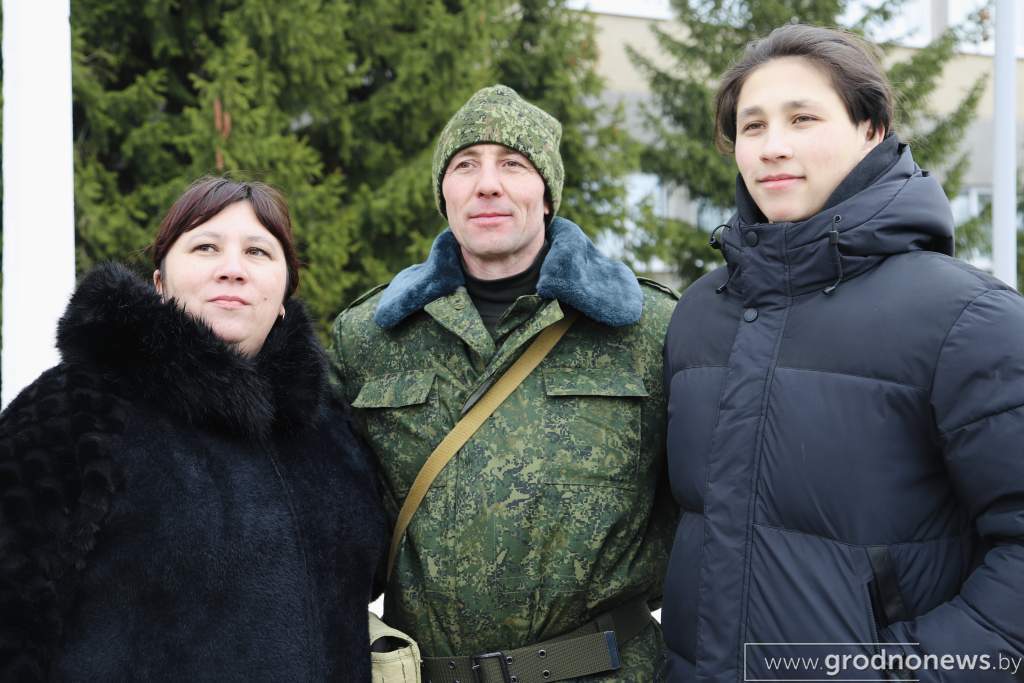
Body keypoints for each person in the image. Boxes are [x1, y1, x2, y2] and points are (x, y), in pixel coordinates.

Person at [661, 24, 1024, 682]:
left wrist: (900, 673)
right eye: (752, 126)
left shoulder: (967, 318)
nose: (773, 146)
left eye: (803, 118)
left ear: (871, 129)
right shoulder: (699, 315)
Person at [331, 85, 677, 682]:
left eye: (513, 164)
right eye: (466, 165)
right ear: (444, 193)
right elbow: (328, 517)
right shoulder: (370, 338)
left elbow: (708, 509)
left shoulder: (646, 328)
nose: (487, 184)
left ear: (546, 193)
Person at [0, 177, 386, 681]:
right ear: (159, 282)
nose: (233, 269)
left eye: (258, 252)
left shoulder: (331, 433)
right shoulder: (76, 408)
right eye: (206, 247)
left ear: (284, 294)